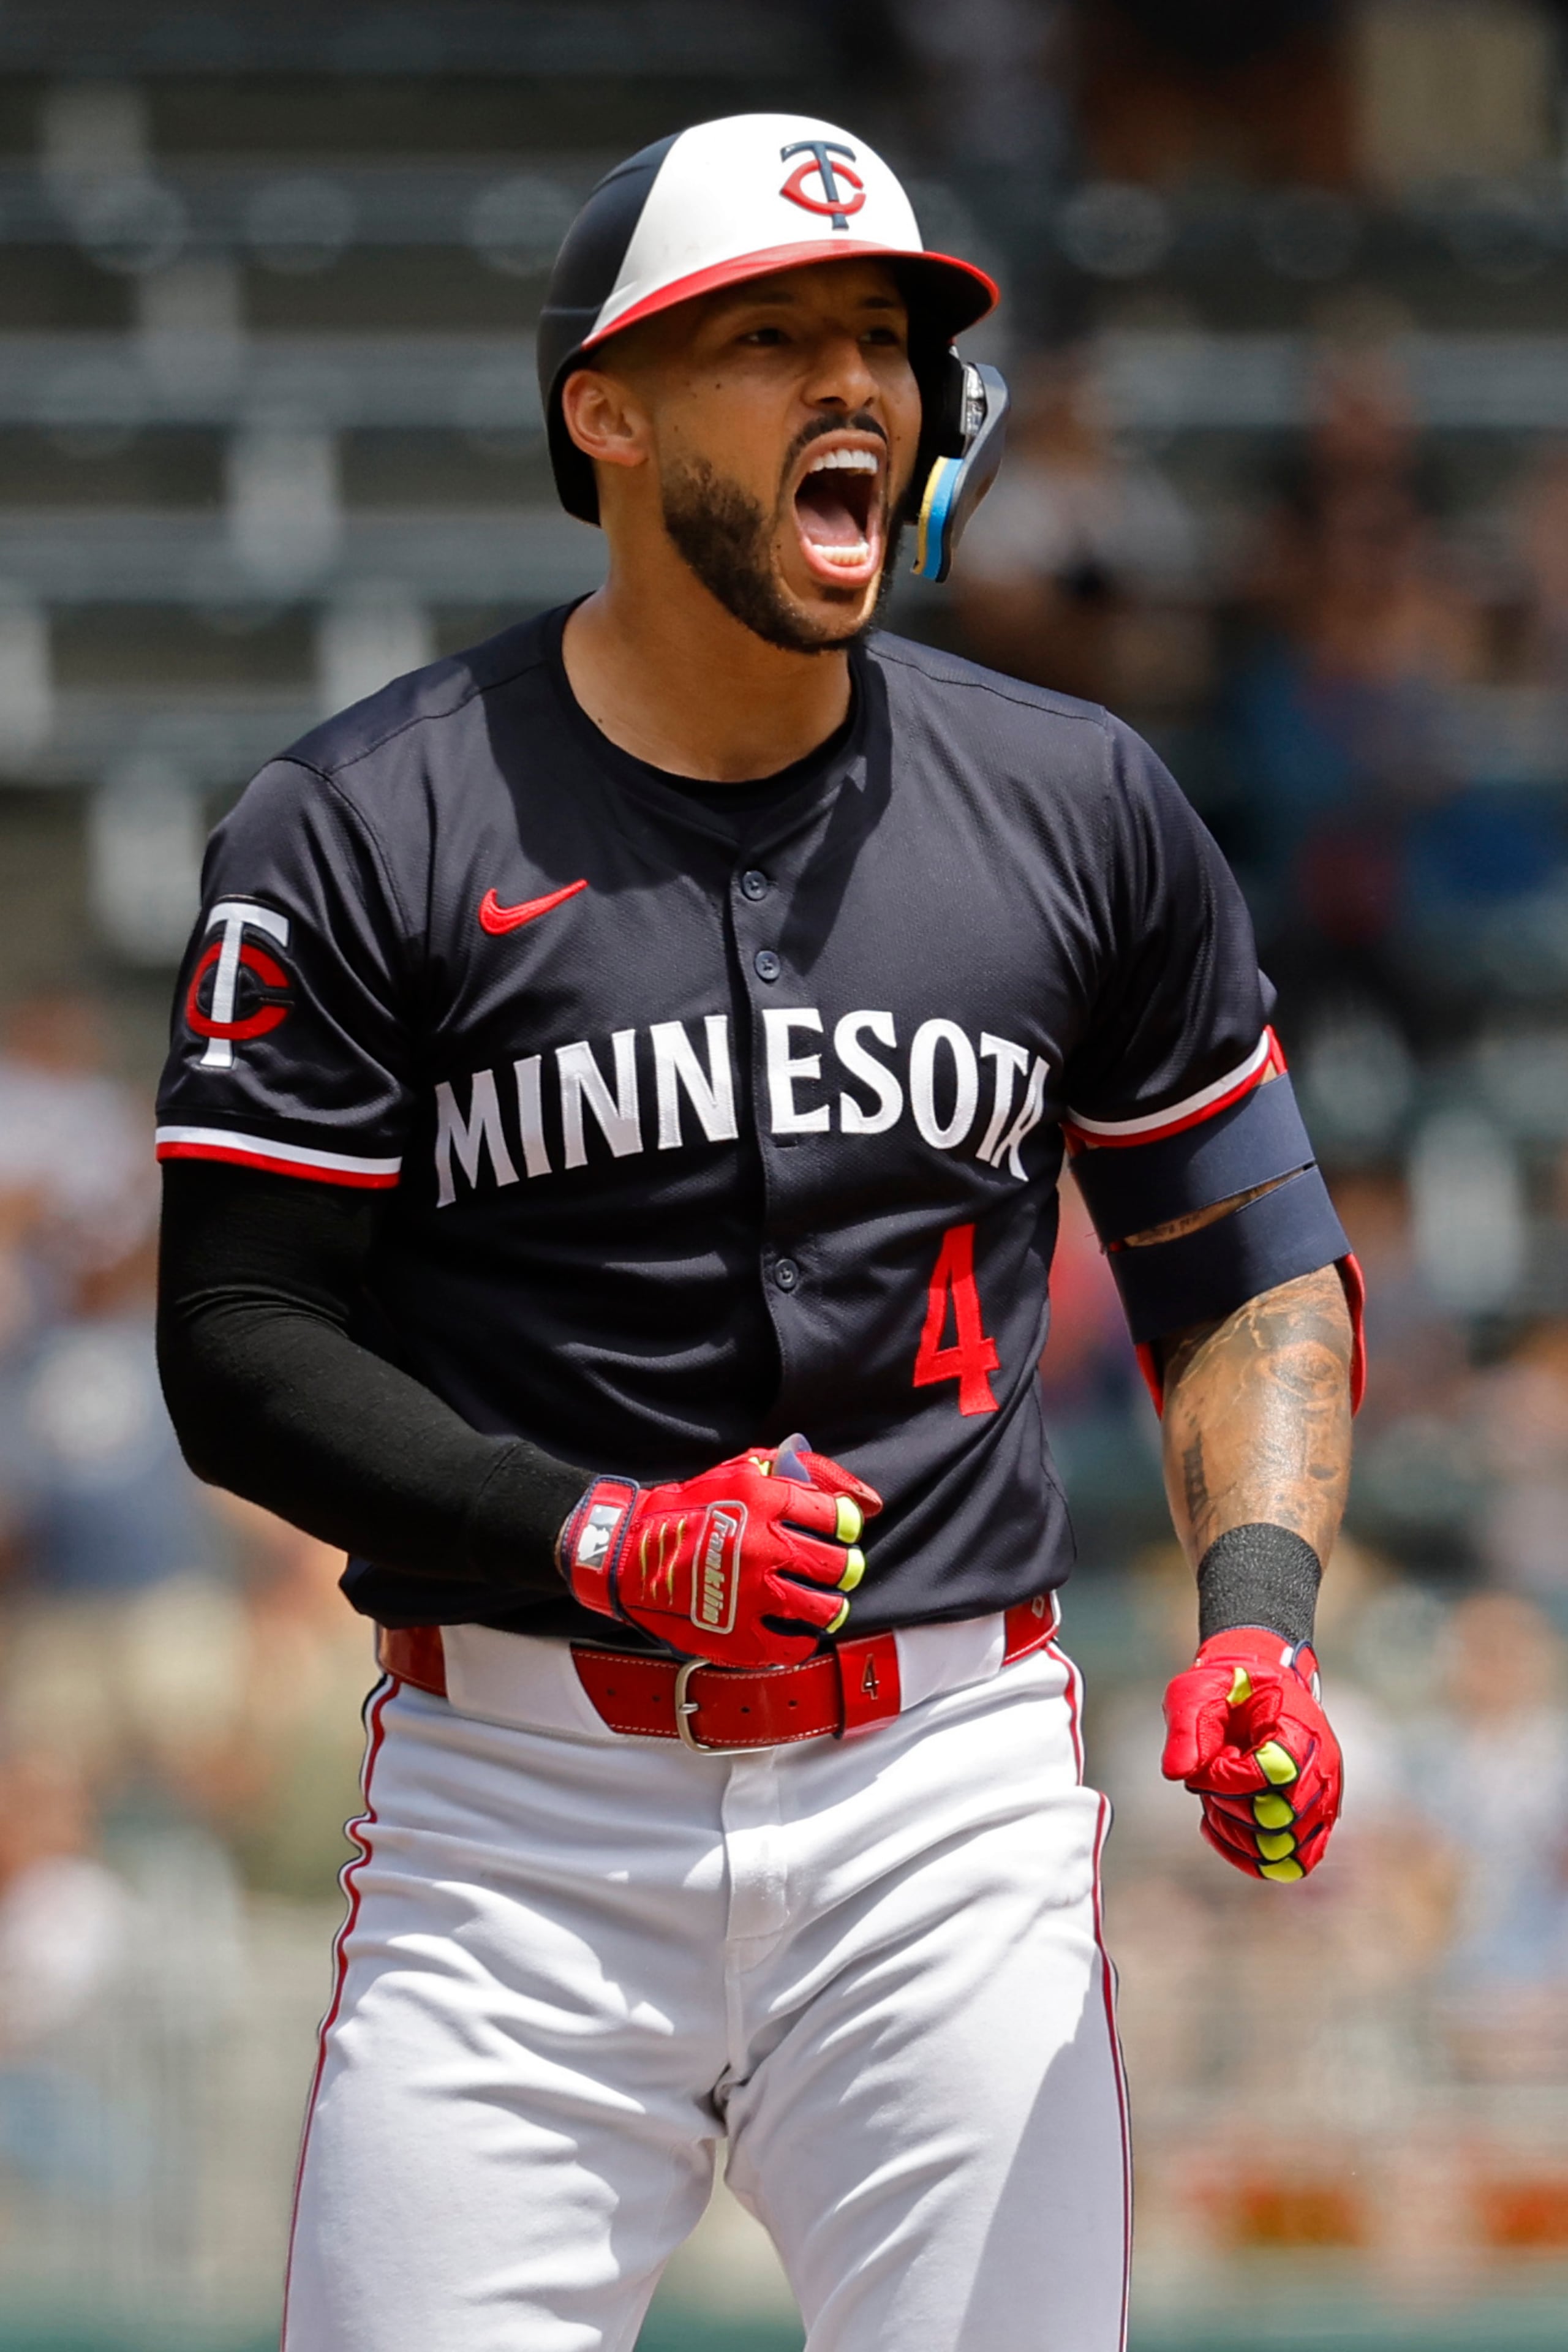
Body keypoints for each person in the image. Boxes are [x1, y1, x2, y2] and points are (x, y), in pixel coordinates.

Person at [154, 114, 1360, 2352]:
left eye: (887, 343)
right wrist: (607, 1535)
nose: (859, 389)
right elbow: (235, 1336)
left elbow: (1248, 1263)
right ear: (600, 413)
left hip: (946, 1805)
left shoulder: (1077, 800)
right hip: (518, 1812)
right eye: (772, 336)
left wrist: (1262, 1616)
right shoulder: (360, 823)